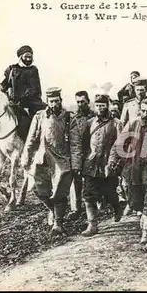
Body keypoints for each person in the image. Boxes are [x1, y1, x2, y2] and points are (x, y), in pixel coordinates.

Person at [108, 99, 147, 245]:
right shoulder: (133, 124)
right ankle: (143, 219)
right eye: (142, 111)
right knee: (136, 202)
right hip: (134, 170)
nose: (145, 114)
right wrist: (112, 160)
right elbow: (118, 145)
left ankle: (146, 235)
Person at [20, 87, 82, 236]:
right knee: (36, 187)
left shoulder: (69, 118)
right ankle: (52, 210)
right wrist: (26, 155)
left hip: (62, 160)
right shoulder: (39, 116)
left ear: (60, 101)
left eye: (56, 101)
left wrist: (76, 164)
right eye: (51, 101)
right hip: (42, 158)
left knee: (60, 193)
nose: (54, 104)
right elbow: (31, 138)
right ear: (47, 102)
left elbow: (75, 143)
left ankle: (58, 224)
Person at [80, 94, 122, 236]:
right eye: (97, 105)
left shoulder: (116, 123)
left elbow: (121, 145)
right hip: (91, 164)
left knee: (109, 192)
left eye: (103, 105)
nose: (100, 108)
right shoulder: (89, 122)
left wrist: (116, 163)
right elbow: (84, 143)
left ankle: (117, 207)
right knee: (88, 194)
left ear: (107, 106)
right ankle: (92, 225)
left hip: (108, 164)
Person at [0, 45, 46, 137]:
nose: (28, 59)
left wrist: (28, 97)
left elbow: (36, 87)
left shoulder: (33, 70)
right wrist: (2, 87)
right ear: (21, 57)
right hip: (15, 103)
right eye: (26, 57)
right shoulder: (12, 69)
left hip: (32, 102)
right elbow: (5, 83)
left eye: (30, 57)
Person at [66, 91, 97, 220]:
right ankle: (76, 209)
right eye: (77, 102)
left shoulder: (95, 117)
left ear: (88, 102)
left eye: (82, 102)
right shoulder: (74, 119)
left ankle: (95, 206)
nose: (80, 104)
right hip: (78, 154)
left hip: (91, 153)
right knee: (75, 182)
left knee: (92, 182)